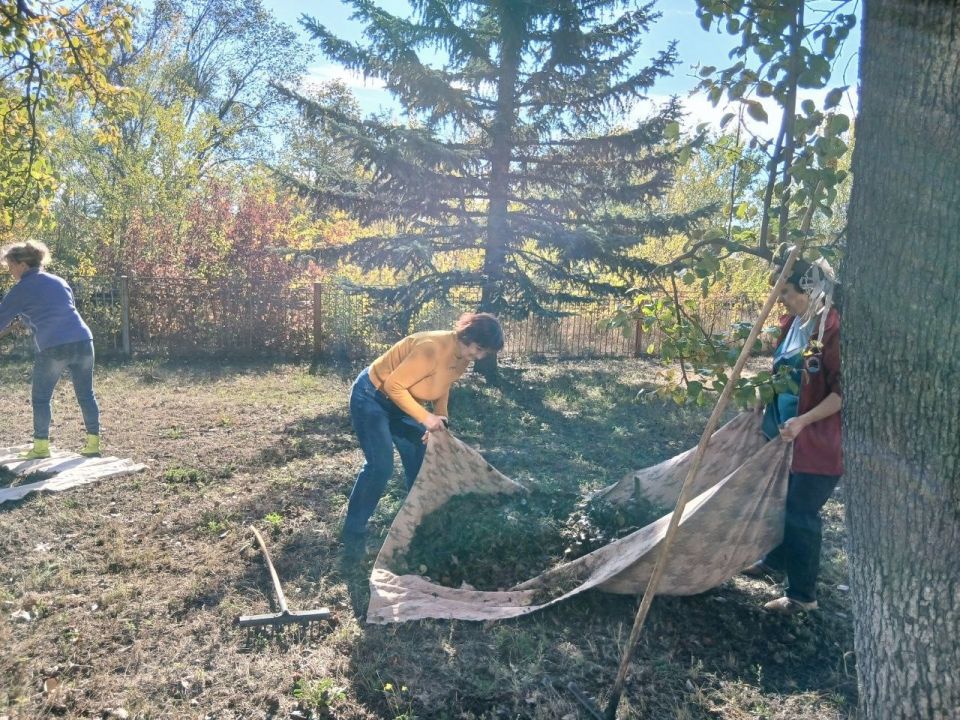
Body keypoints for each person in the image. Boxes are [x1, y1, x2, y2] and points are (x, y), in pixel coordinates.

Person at [341, 312, 504, 552]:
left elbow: (443, 385)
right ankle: (353, 531)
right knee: (381, 466)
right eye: (479, 349)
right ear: (467, 334)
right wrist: (426, 418)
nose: (479, 356)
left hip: (402, 402)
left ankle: (417, 522)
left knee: (421, 455)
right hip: (372, 397)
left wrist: (441, 417)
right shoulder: (431, 347)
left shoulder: (462, 358)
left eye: (484, 353)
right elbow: (393, 385)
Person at [744, 258, 842, 614]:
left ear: (810, 289)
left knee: (802, 512)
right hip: (785, 436)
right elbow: (783, 371)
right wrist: (763, 395)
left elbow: (841, 393)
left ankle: (802, 596)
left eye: (786, 291)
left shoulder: (831, 330)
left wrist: (803, 421)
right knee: (783, 500)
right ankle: (774, 560)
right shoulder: (792, 325)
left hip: (819, 442)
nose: (780, 299)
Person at [0, 241, 102, 459]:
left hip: (53, 345)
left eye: (10, 266)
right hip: (84, 340)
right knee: (86, 394)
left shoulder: (21, 289)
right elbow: (60, 309)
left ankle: (41, 447)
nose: (10, 271)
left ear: (23, 264)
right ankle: (93, 444)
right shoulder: (59, 281)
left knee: (41, 398)